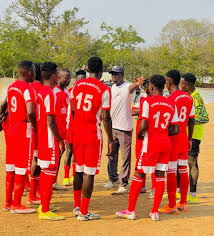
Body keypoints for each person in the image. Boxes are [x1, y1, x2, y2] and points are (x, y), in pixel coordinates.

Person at [116, 75, 179, 221]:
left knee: (139, 174)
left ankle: (131, 210)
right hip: (165, 144)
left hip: (151, 144)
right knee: (159, 176)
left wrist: (139, 135)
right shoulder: (171, 104)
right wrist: (163, 132)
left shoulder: (148, 102)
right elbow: (176, 129)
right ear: (163, 86)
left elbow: (143, 125)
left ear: (150, 87)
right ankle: (154, 212)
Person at [71, 56, 113, 221]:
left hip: (77, 133)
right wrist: (111, 139)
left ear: (87, 69)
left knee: (78, 170)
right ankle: (84, 212)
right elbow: (107, 118)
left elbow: (73, 107)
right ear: (101, 71)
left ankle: (76, 207)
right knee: (89, 173)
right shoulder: (104, 89)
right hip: (92, 135)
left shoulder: (78, 85)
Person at [159, 70, 195, 214]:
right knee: (183, 169)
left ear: (168, 82)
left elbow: (168, 122)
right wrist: (190, 138)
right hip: (184, 138)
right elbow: (192, 120)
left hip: (173, 139)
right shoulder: (188, 97)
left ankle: (172, 204)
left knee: (172, 171)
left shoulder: (171, 99)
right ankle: (184, 203)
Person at [104, 66, 143, 193]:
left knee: (125, 157)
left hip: (125, 127)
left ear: (122, 75)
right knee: (111, 154)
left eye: (116, 74)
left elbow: (131, 88)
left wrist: (137, 84)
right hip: (112, 126)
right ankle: (112, 178)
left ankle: (123, 183)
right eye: (113, 74)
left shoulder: (127, 86)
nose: (114, 76)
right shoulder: (112, 87)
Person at [5, 60, 37, 214]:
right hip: (23, 129)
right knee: (22, 167)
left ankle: (8, 202)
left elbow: (4, 106)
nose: (35, 74)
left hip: (11, 128)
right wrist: (35, 126)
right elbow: (30, 111)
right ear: (28, 72)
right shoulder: (27, 88)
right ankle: (17, 204)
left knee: (10, 167)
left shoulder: (11, 87)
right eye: (34, 71)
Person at [37, 62, 65, 221]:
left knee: (45, 172)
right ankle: (45, 210)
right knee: (49, 173)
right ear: (53, 75)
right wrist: (60, 140)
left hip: (43, 137)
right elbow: (50, 121)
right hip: (49, 139)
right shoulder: (49, 94)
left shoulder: (41, 91)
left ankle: (43, 204)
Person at [179, 73, 209, 203]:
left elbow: (205, 118)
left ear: (189, 84)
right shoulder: (187, 96)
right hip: (184, 135)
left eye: (183, 83)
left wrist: (189, 121)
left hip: (194, 136)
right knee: (180, 163)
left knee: (191, 163)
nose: (181, 85)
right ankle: (179, 190)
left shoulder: (196, 98)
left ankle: (193, 193)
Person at [132, 78, 155, 196]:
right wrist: (144, 110)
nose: (146, 88)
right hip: (140, 128)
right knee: (139, 157)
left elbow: (135, 111)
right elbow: (133, 111)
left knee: (153, 159)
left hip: (152, 130)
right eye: (145, 86)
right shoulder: (141, 97)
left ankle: (154, 188)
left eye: (148, 86)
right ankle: (141, 186)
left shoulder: (156, 98)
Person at [63, 69, 86, 186]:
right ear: (75, 81)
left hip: (81, 129)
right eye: (78, 81)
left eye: (82, 81)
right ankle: (66, 176)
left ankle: (74, 176)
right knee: (69, 151)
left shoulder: (88, 93)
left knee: (78, 153)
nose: (79, 83)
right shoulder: (70, 92)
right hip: (70, 127)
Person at [52, 68, 71, 190]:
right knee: (52, 158)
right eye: (66, 77)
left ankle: (53, 181)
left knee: (58, 156)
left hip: (64, 131)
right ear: (59, 77)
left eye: (69, 77)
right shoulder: (53, 92)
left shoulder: (67, 93)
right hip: (54, 131)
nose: (69, 80)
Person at [28, 62, 43, 204]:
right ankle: (33, 194)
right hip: (38, 130)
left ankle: (34, 191)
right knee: (37, 161)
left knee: (35, 160)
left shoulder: (29, 87)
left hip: (31, 129)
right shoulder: (39, 88)